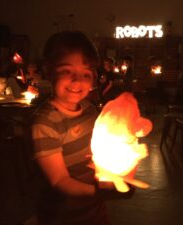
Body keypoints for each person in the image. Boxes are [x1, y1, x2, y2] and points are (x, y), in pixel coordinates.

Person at [31, 30, 134, 225]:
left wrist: (117, 174)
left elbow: (98, 154)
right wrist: (100, 192)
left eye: (85, 74)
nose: (77, 81)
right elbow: (59, 180)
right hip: (61, 215)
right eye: (67, 71)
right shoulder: (46, 123)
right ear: (49, 70)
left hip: (95, 212)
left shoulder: (89, 110)